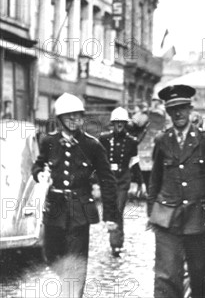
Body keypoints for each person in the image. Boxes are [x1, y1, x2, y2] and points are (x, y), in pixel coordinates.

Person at [31, 93, 118, 298]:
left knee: (77, 260)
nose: (74, 121)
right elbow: (38, 164)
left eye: (78, 116)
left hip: (80, 209)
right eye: (69, 117)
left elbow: (107, 180)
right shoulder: (48, 141)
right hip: (55, 208)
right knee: (51, 256)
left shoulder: (92, 145)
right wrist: (39, 173)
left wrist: (111, 215)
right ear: (59, 119)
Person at [148, 84, 205, 298]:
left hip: (199, 221)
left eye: (182, 107)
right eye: (173, 109)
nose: (178, 113)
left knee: (199, 278)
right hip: (167, 220)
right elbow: (154, 181)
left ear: (190, 109)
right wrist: (152, 214)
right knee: (165, 278)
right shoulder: (162, 140)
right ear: (168, 112)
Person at [99, 107, 140, 257]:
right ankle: (116, 239)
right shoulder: (104, 139)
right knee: (110, 209)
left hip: (123, 180)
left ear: (125, 123)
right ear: (113, 124)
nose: (119, 125)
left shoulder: (131, 142)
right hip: (108, 181)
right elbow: (99, 161)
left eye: (122, 122)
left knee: (118, 209)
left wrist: (140, 183)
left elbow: (134, 163)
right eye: (117, 123)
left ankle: (116, 243)